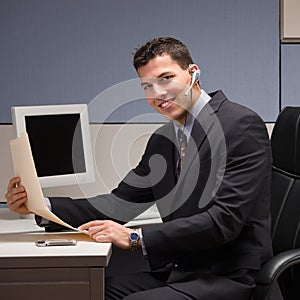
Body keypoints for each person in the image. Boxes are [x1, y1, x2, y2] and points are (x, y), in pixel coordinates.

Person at [5, 37, 282, 300]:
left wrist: (135, 236)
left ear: (193, 73)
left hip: (229, 275)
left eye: (166, 78)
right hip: (180, 270)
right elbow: (118, 204)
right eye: (147, 86)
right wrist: (42, 206)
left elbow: (223, 221)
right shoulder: (164, 139)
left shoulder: (240, 125)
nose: (158, 93)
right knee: (87, 290)